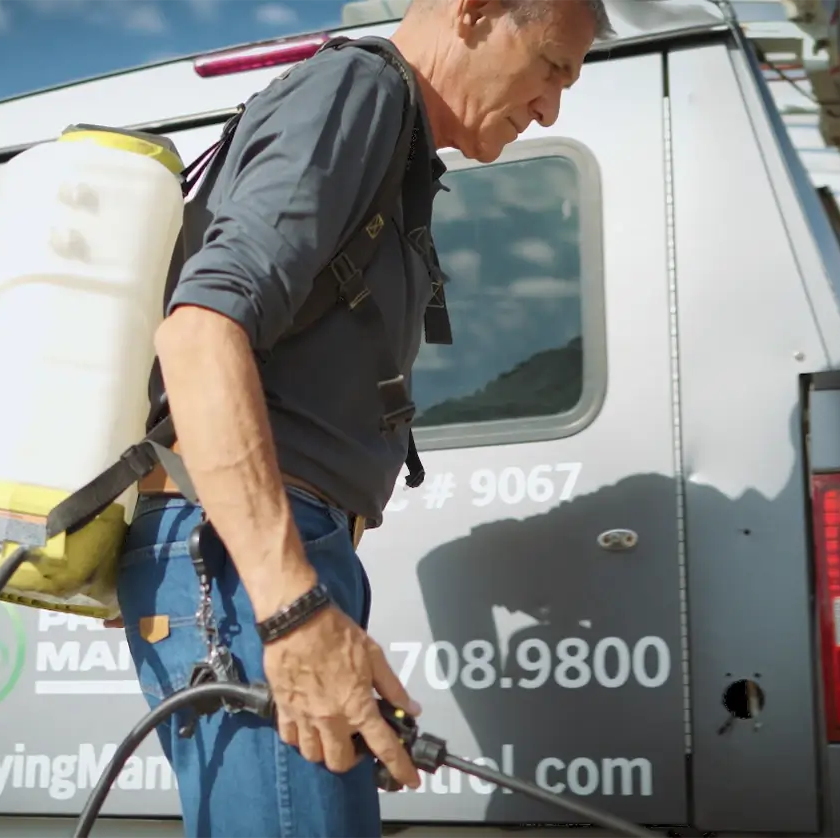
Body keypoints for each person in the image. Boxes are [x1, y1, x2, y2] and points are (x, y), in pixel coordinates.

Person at [112, 0, 611, 835]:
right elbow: (200, 332)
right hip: (245, 560)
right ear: (474, 12)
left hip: (269, 555)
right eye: (552, 67)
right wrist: (291, 610)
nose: (552, 107)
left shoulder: (397, 139)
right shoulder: (359, 92)